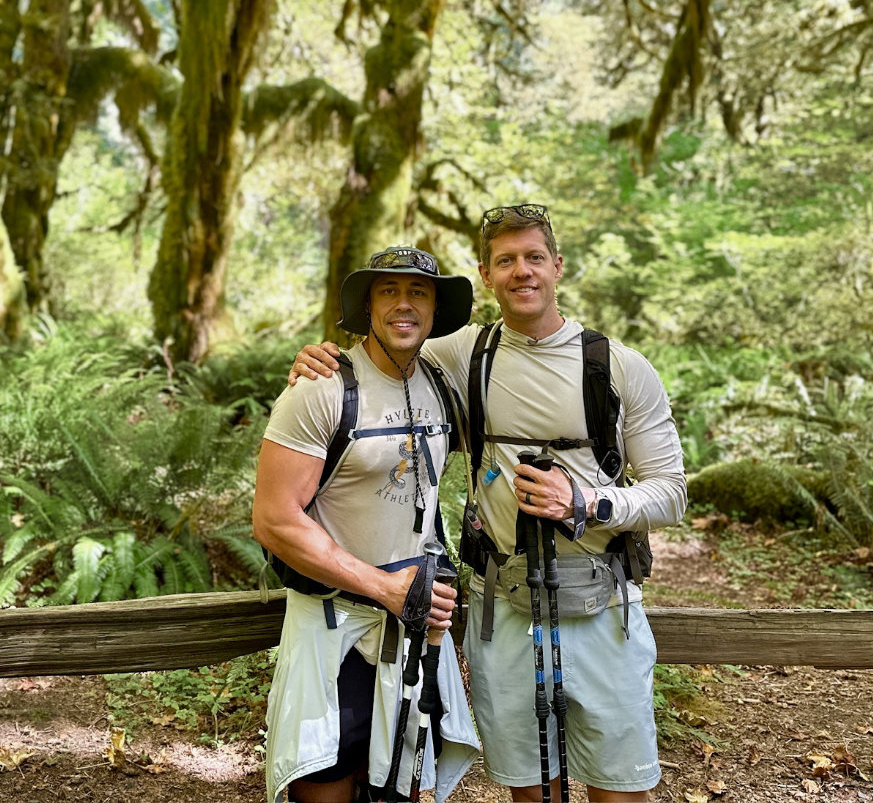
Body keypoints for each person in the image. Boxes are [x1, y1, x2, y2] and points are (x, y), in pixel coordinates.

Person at [290, 205, 686, 802]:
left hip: (605, 608)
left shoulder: (620, 368)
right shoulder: (463, 355)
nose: (521, 272)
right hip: (506, 609)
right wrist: (318, 359)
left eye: (533, 258)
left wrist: (589, 501)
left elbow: (671, 491)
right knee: (529, 790)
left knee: (618, 789)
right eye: (506, 261)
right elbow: (384, 352)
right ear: (486, 273)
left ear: (557, 266)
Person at [254, 246, 481, 803]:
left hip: (413, 629)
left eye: (418, 292)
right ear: (367, 304)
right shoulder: (322, 388)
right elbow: (274, 520)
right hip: (334, 630)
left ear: (434, 309)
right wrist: (384, 587)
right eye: (389, 291)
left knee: (400, 790)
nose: (404, 305)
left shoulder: (445, 381)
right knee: (325, 787)